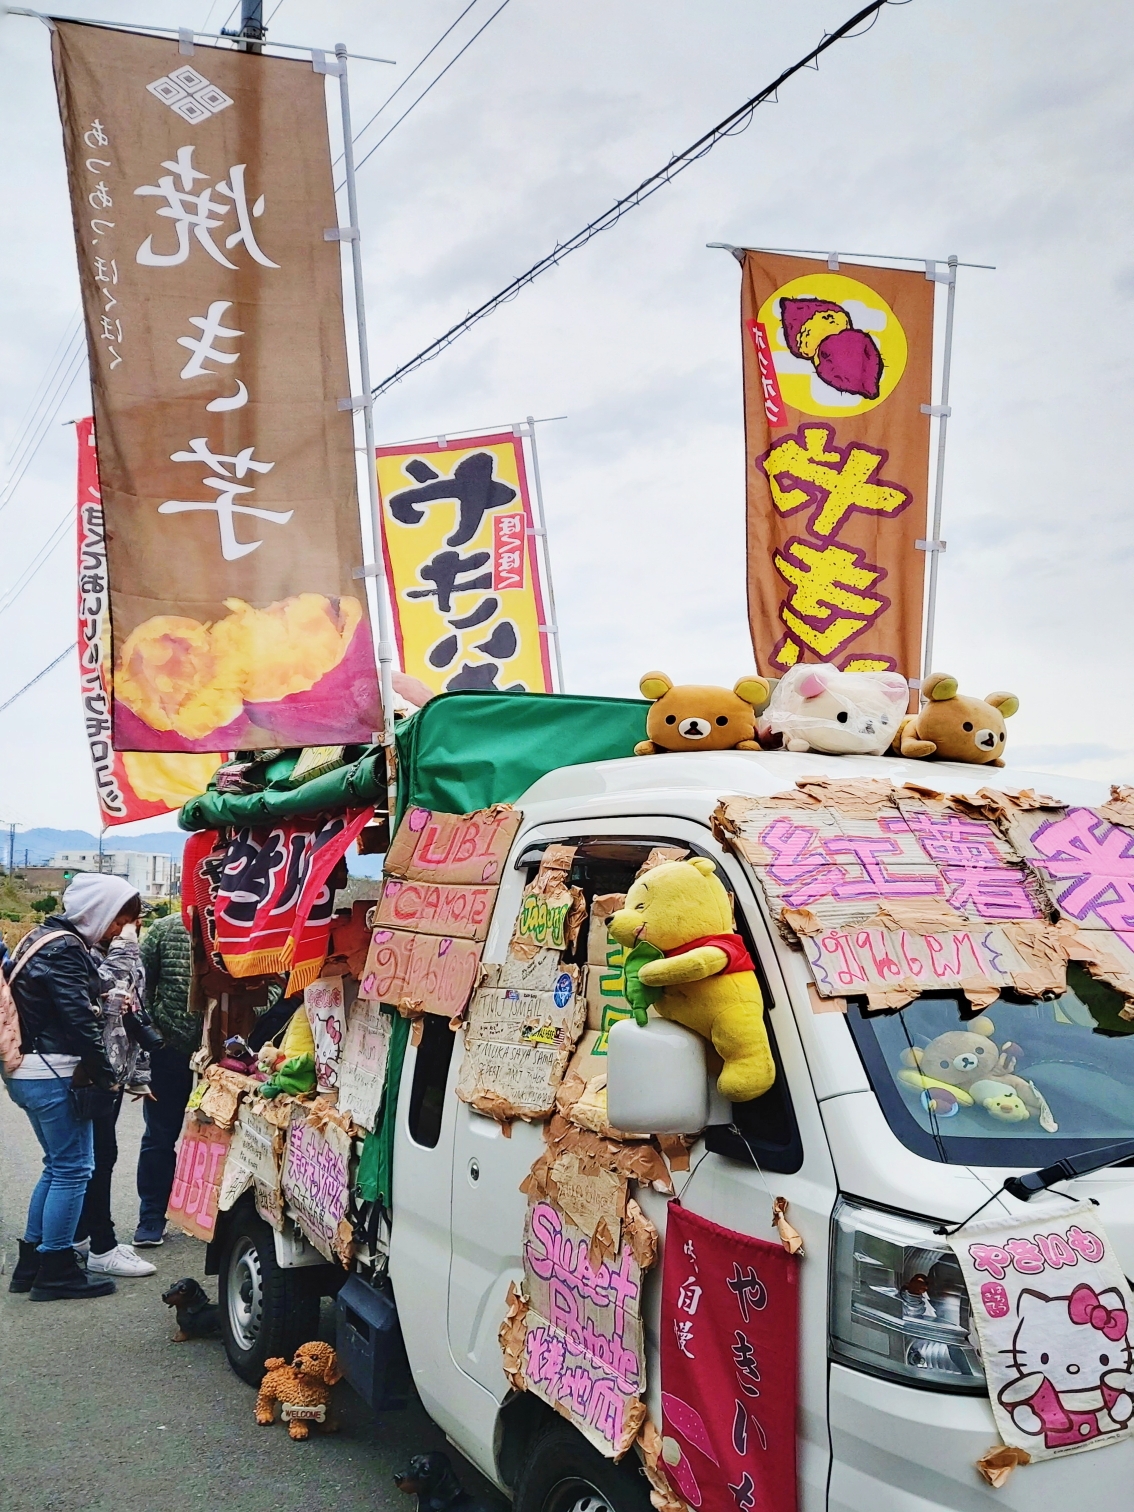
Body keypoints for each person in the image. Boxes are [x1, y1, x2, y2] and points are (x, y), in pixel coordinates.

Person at [2, 873, 139, 1301]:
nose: (119, 929)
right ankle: (57, 1269)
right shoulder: (64, 949)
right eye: (119, 919)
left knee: (56, 1165)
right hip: (51, 1070)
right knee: (74, 1170)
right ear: (100, 910)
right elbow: (79, 1019)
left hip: (29, 1070)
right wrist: (106, 1075)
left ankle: (32, 1262)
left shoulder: (41, 936)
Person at [73, 914, 158, 1279]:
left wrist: (139, 1076)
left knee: (97, 1157)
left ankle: (82, 1236)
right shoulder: (80, 951)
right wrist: (125, 945)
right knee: (91, 1159)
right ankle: (101, 1247)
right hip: (91, 1071)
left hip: (110, 1070)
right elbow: (111, 982)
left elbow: (133, 1010)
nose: (132, 926)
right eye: (124, 919)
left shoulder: (103, 950)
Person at [134, 909, 194, 1247]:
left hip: (230, 1056)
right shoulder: (164, 929)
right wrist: (155, 1035)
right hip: (169, 1053)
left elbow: (273, 983)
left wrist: (249, 1020)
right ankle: (152, 1216)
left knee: (224, 1140)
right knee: (159, 1136)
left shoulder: (251, 927)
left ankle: (216, 1216)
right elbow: (139, 987)